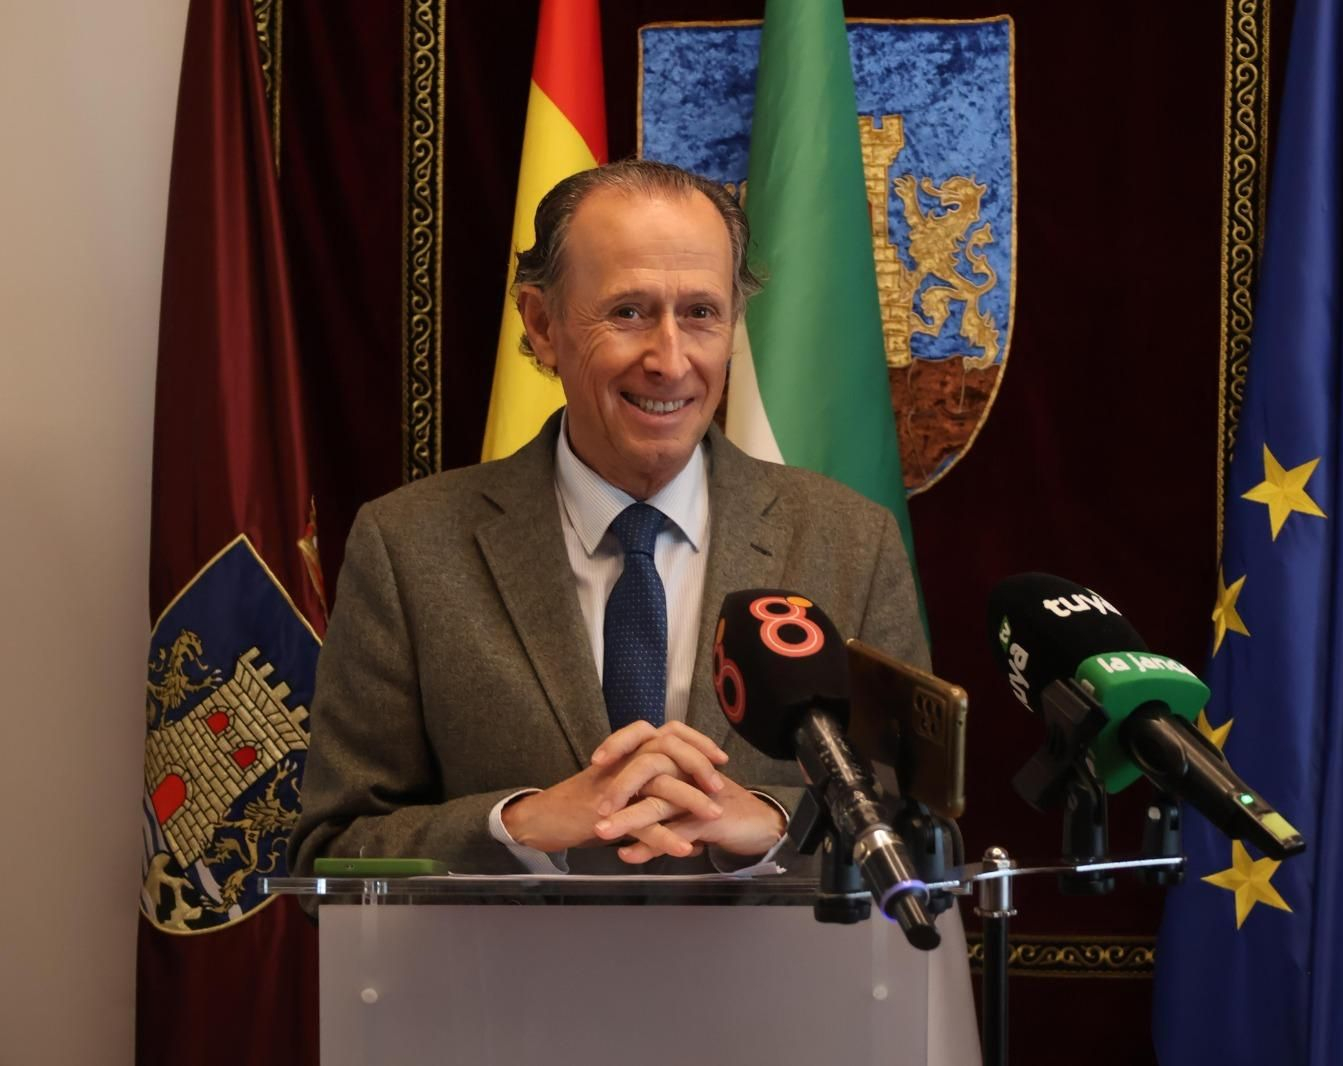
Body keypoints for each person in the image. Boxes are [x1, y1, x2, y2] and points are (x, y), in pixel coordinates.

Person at [289, 160, 928, 876]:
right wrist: (518, 824)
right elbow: (332, 854)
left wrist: (779, 824)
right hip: (504, 988)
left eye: (701, 314)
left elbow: (916, 824)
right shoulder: (406, 546)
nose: (670, 359)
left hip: (776, 985)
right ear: (542, 325)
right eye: (628, 312)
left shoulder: (852, 542)